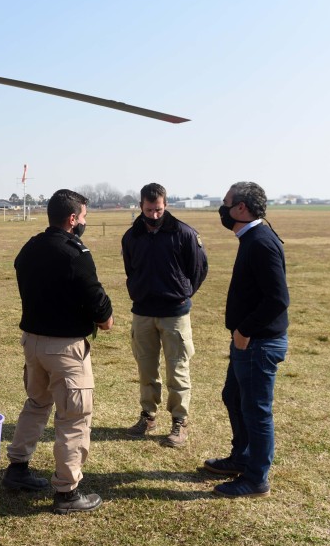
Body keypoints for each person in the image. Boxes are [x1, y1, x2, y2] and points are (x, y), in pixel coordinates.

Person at [3, 189, 114, 514]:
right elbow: (97, 300)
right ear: (72, 219)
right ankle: (67, 492)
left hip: (33, 343)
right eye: (83, 217)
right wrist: (106, 319)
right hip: (64, 349)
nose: (84, 223)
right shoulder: (75, 253)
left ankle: (18, 469)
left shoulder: (31, 247)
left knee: (37, 404)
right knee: (74, 419)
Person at [205, 181, 289, 498]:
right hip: (248, 342)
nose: (222, 209)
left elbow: (278, 299)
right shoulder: (251, 237)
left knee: (256, 410)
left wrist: (245, 330)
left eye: (226, 203)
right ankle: (241, 458)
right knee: (233, 397)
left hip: (258, 344)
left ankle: (256, 479)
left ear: (241, 208)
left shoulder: (261, 242)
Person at [121, 183, 208, 447]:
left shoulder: (184, 233)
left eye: (158, 209)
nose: (154, 215)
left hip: (174, 314)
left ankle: (179, 422)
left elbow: (199, 268)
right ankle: (148, 416)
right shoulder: (131, 236)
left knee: (177, 370)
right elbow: (130, 269)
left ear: (165, 204)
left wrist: (182, 293)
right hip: (143, 313)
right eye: (149, 210)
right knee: (146, 369)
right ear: (140, 207)